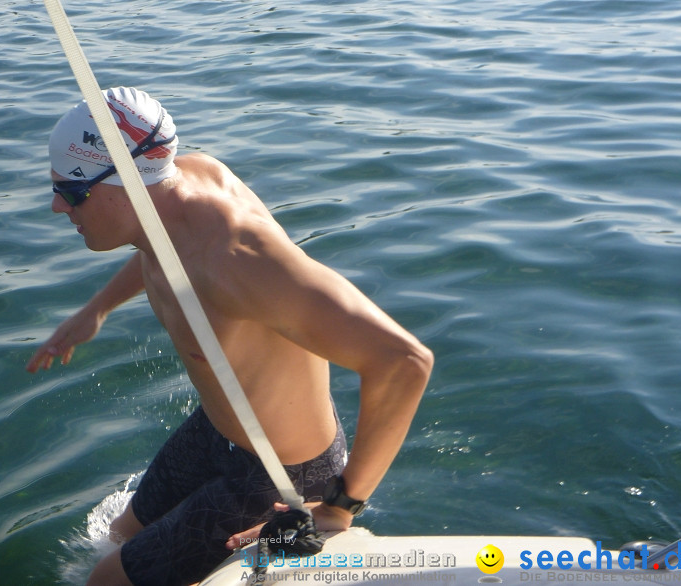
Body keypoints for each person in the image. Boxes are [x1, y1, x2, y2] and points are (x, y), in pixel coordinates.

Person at [27, 87, 433, 586]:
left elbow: (404, 361)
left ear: (128, 182)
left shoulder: (237, 257)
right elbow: (159, 246)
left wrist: (339, 508)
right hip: (219, 431)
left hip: (280, 473)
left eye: (71, 192)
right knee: (118, 536)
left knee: (105, 582)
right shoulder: (177, 192)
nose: (55, 207)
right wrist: (98, 308)